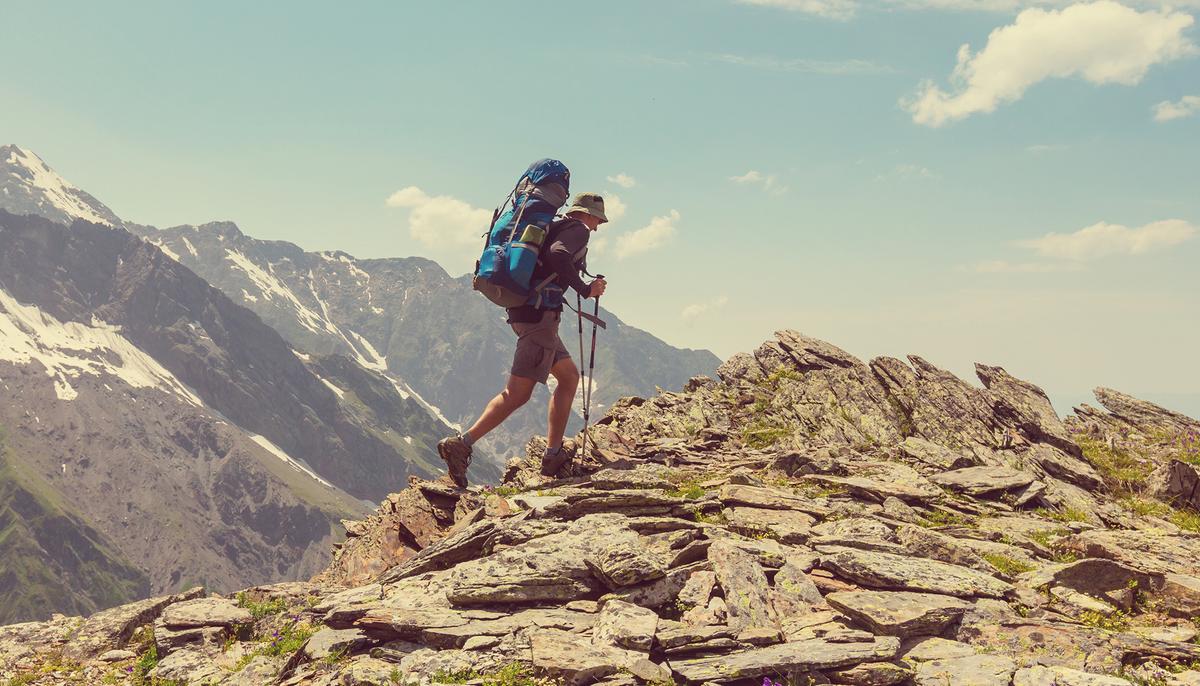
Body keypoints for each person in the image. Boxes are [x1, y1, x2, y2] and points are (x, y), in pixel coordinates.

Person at [437, 193, 609, 488]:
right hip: (539, 319)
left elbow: (551, 259)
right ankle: (462, 444)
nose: (597, 227)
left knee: (568, 378)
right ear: (589, 215)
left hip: (529, 314)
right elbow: (557, 255)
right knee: (517, 393)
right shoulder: (577, 231)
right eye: (598, 220)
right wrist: (585, 288)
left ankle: (552, 454)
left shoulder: (553, 225)